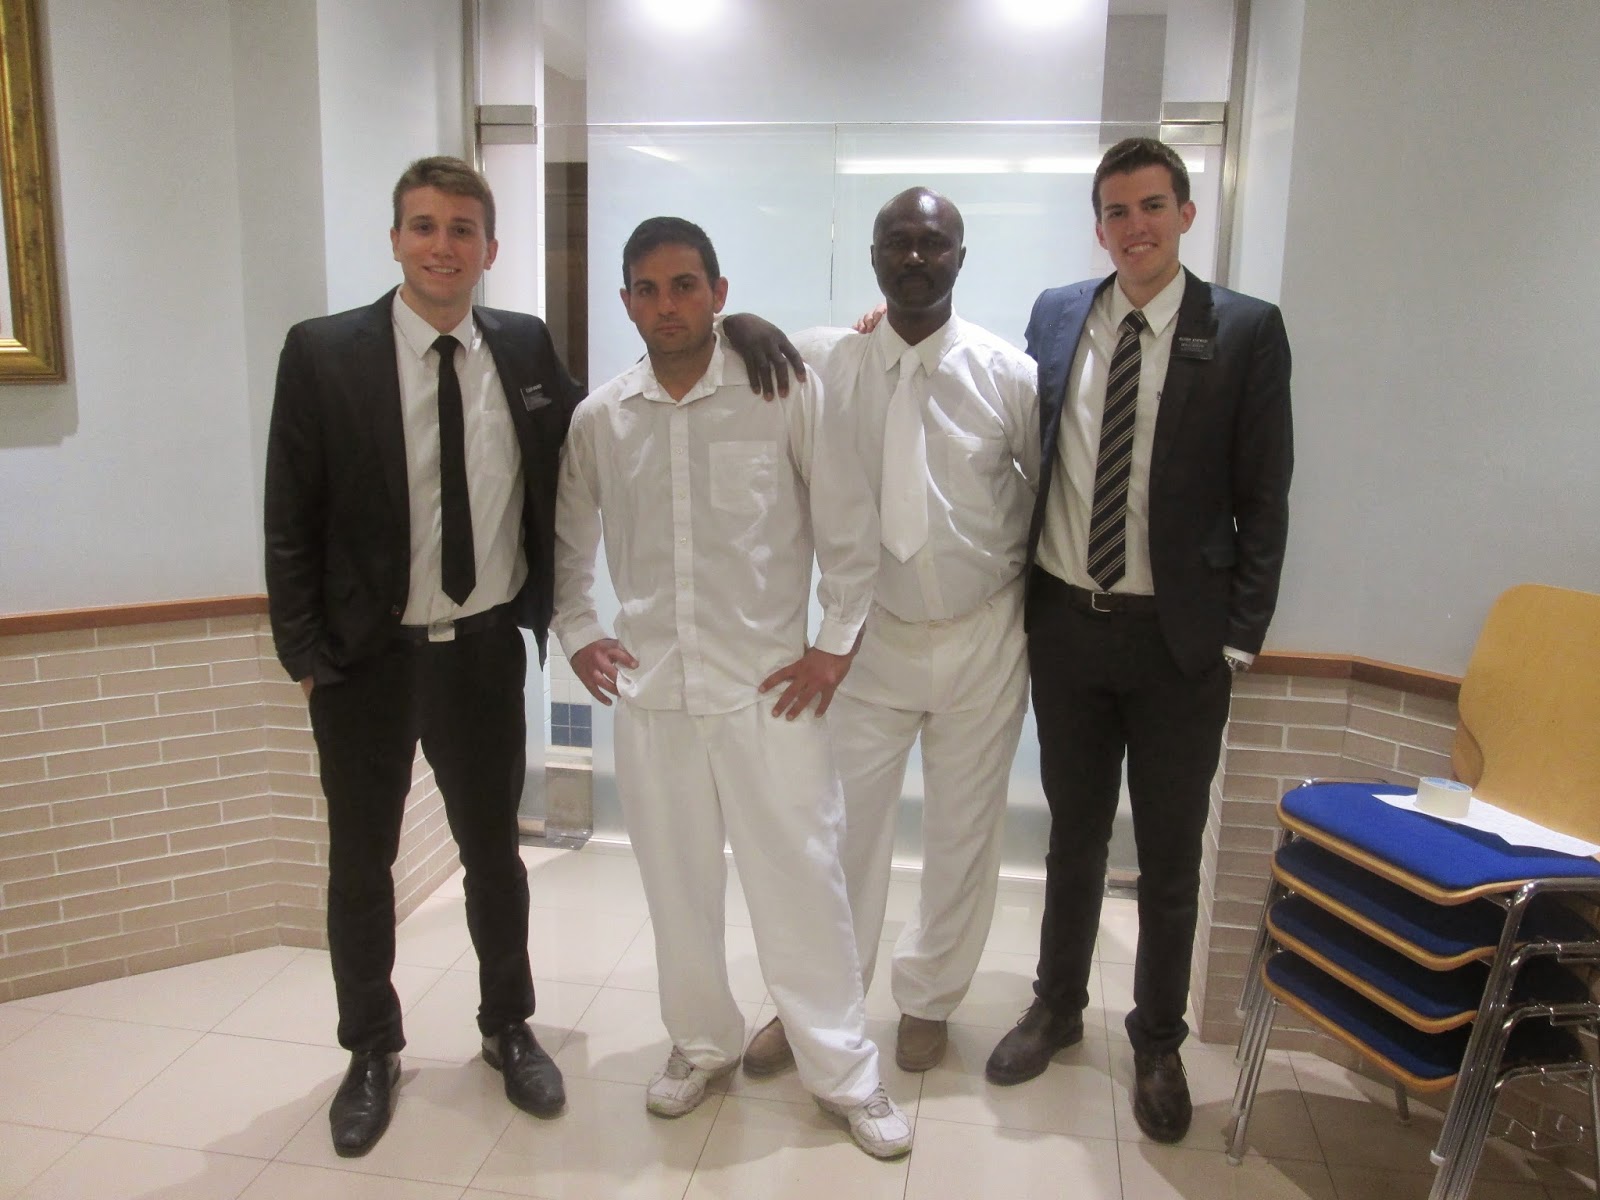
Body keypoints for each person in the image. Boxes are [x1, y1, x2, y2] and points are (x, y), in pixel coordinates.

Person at [264, 158, 801, 1156]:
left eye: (462, 229)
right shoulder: (324, 351)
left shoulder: (521, 346)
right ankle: (371, 1049)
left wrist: (740, 327)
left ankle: (508, 1028)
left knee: (492, 856)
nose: (443, 246)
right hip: (364, 662)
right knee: (362, 866)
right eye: (424, 226)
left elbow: (628, 405)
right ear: (395, 239)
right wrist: (302, 650)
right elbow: (290, 512)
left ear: (490, 248)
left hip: (478, 654)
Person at [552, 216, 914, 1159]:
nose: (666, 306)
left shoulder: (780, 390)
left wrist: (834, 646)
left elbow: (848, 530)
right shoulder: (602, 419)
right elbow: (567, 544)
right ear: (626, 301)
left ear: (718, 292)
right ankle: (702, 1043)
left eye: (685, 285)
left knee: (803, 885)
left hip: (769, 694)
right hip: (656, 698)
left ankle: (844, 1072)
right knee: (676, 889)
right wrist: (580, 632)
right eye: (647, 289)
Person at [984, 138, 1293, 1146]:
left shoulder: (1243, 331)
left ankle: (1157, 1040)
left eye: (1152, 206)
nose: (1135, 227)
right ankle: (1056, 1006)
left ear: (1186, 214)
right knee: (1070, 837)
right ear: (1099, 225)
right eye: (1115, 211)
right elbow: (1003, 420)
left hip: (1178, 645)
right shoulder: (1056, 315)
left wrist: (1238, 640)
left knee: (1166, 855)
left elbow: (1265, 499)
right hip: (1068, 626)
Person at [728, 188, 1038, 1078]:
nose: (914, 257)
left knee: (963, 836)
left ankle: (929, 1000)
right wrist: (739, 321)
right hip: (867, 642)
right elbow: (718, 349)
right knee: (840, 836)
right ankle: (821, 1009)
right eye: (897, 242)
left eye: (932, 243)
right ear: (872, 258)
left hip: (984, 634)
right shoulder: (829, 360)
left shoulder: (1008, 375)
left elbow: (1050, 490)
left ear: (959, 258)